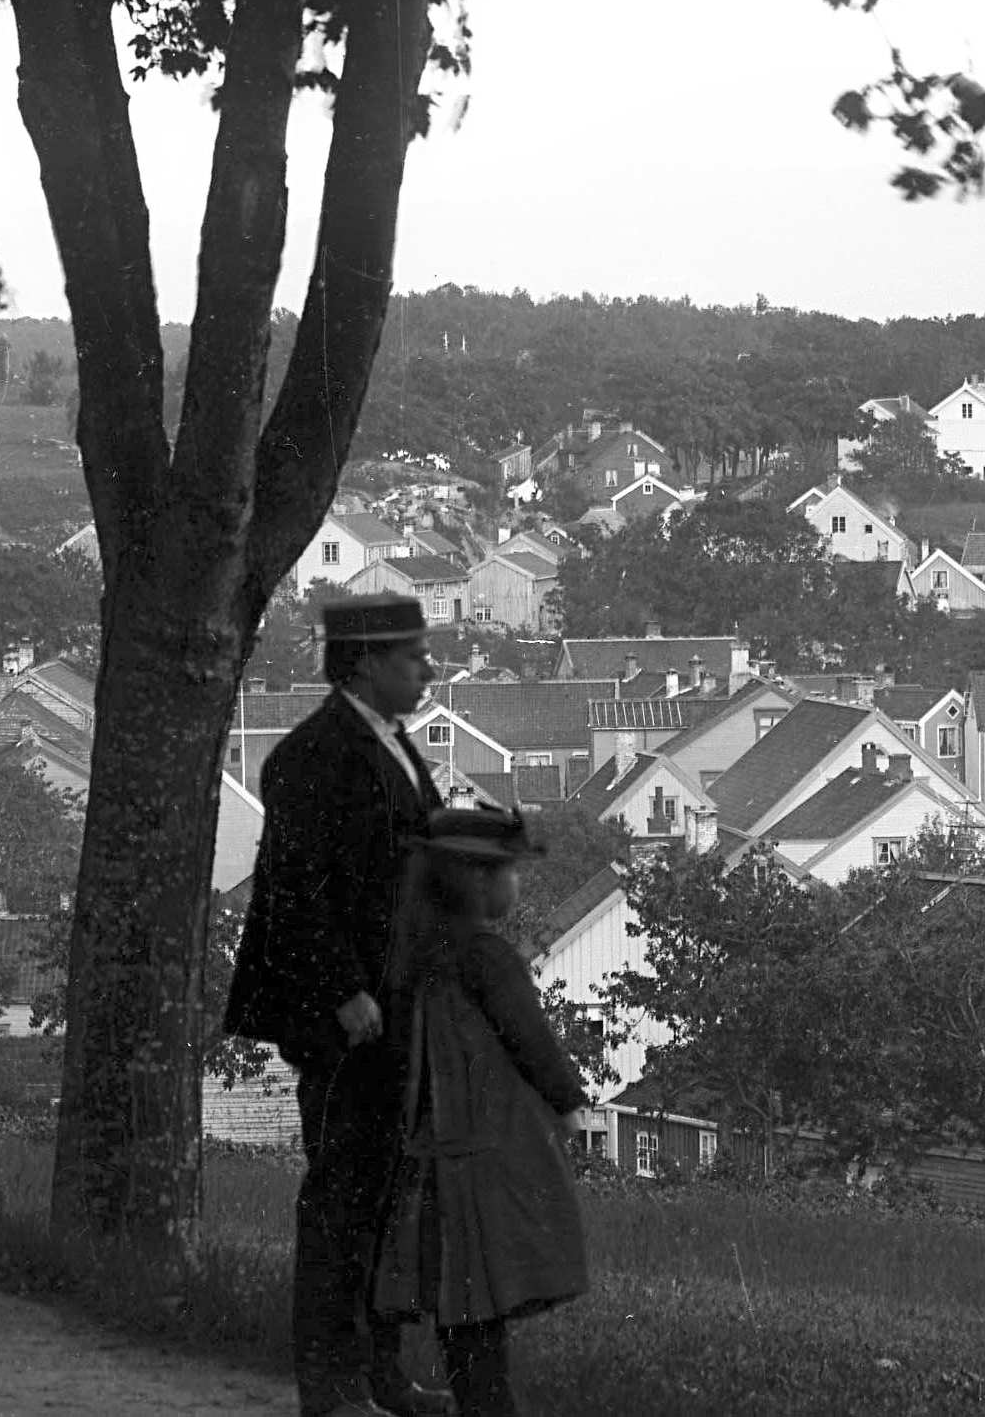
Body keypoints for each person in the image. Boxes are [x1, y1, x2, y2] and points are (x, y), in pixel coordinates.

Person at [223, 592, 449, 1417]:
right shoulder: (314, 757)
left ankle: (378, 1366)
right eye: (412, 655)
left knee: (386, 1198)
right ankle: (329, 1379)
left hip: (399, 1007)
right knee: (343, 1198)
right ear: (365, 663)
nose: (426, 669)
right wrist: (342, 991)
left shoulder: (391, 745)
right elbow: (298, 892)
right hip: (350, 1016)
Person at [371, 806, 591, 1417]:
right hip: (482, 1159)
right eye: (510, 872)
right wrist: (568, 1102)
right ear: (477, 880)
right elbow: (529, 1034)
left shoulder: (416, 955)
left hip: (433, 1156)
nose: (517, 885)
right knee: (483, 1302)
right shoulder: (488, 957)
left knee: (462, 1314)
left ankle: (480, 1403)